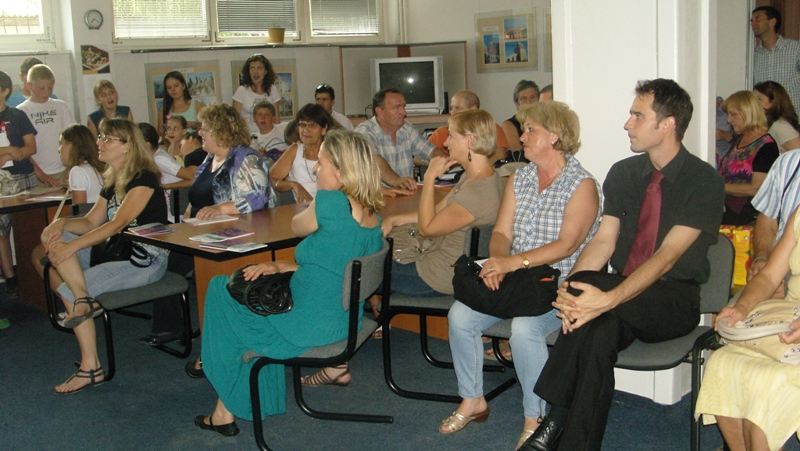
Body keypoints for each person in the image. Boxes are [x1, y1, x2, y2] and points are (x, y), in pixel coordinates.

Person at [519, 79, 725, 451]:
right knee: (597, 333)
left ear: (668, 124)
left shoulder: (703, 181)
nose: (627, 124)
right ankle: (570, 438)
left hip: (673, 299)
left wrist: (605, 299)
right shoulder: (624, 173)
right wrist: (572, 288)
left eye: (637, 115)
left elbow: (667, 257)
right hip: (621, 290)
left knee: (596, 306)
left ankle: (552, 421)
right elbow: (603, 241)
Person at [194, 129, 384, 436]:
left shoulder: (330, 202)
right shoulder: (374, 218)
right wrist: (282, 265)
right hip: (343, 322)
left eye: (321, 162)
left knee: (220, 290)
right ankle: (224, 411)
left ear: (341, 170)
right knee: (245, 302)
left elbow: (297, 227)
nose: (315, 169)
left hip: (305, 326)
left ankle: (227, 405)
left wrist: (317, 202)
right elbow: (337, 269)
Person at [441, 102, 601, 451]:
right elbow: (502, 232)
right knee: (459, 316)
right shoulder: (520, 177)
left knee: (525, 331)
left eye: (530, 130)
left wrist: (512, 263)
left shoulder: (582, 184)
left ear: (555, 136)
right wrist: (497, 262)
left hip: (558, 285)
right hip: (516, 278)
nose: (522, 136)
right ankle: (472, 399)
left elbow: (567, 245)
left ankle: (535, 417)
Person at [32, 118, 170, 394]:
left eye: (107, 138)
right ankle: (83, 299)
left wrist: (73, 246)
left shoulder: (143, 177)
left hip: (145, 261)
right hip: (117, 253)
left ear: (126, 146)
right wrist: (60, 224)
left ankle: (90, 367)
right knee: (58, 238)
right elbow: (91, 221)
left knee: (67, 290)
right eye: (100, 137)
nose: (99, 143)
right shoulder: (114, 178)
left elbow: (117, 224)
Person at [695, 204, 800, 451]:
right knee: (722, 363)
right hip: (790, 315)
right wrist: (741, 307)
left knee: (769, 383)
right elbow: (769, 276)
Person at [185, 104, 270, 220]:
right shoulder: (209, 159)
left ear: (221, 132)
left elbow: (258, 198)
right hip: (199, 226)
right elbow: (194, 201)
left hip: (233, 228)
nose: (199, 133)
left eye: (204, 129)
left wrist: (220, 209)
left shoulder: (246, 158)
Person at [355, 88, 445, 191]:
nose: (404, 112)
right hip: (376, 196)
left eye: (403, 107)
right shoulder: (364, 132)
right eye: (397, 108)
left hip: (405, 194)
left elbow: (430, 151)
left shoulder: (406, 128)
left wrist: (451, 162)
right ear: (380, 111)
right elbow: (374, 161)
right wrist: (396, 181)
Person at [0, 70, 37, 299]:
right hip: (1, 181)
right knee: (1, 232)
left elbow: (31, 147)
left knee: (29, 228)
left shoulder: (17, 114)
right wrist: (8, 150)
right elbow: (13, 150)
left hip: (23, 176)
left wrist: (12, 153)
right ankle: (10, 278)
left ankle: (33, 275)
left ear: (5, 91)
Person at [719, 91, 779, 226]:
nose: (729, 120)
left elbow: (756, 188)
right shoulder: (739, 139)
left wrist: (719, 187)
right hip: (728, 211)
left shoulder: (767, 147)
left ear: (748, 113)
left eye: (733, 114)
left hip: (747, 217)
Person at [18, 64, 75, 188]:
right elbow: (23, 148)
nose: (47, 92)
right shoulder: (21, 111)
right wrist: (41, 174)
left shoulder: (61, 106)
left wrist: (71, 166)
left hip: (63, 171)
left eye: (50, 88)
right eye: (42, 88)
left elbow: (74, 139)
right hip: (36, 174)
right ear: (29, 86)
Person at [269, 104, 333, 204]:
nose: (306, 130)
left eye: (312, 125)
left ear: (324, 129)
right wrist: (294, 185)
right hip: (300, 208)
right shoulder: (295, 150)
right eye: (302, 125)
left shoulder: (333, 152)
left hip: (329, 206)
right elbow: (272, 179)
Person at [427, 90, 509, 163]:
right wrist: (448, 163)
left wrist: (471, 167)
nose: (453, 112)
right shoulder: (442, 131)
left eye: (458, 108)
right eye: (451, 109)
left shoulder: (490, 128)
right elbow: (421, 157)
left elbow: (500, 154)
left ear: (473, 109)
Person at [751, 6, 800, 111]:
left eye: (757, 18)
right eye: (752, 20)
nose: (753, 23)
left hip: (792, 116)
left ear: (772, 22)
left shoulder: (796, 49)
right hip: (765, 117)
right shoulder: (753, 56)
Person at [232, 54, 282, 134]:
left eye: (259, 68)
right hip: (247, 136)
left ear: (265, 71)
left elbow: (276, 119)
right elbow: (234, 120)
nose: (255, 72)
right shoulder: (241, 91)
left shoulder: (273, 90)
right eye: (252, 68)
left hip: (268, 136)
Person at [58, 124, 104, 205]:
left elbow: (79, 209)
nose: (59, 150)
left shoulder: (78, 171)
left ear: (71, 144)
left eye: (61, 144)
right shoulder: (95, 167)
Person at [754, 81, 800, 154]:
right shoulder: (767, 125)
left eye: (759, 99)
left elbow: (798, 153)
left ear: (773, 102)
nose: (753, 103)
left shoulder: (780, 126)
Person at [157, 71, 204, 136]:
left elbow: (206, 128)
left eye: (176, 86)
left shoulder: (197, 105)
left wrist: (192, 124)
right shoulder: (163, 110)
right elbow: (161, 134)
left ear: (183, 86)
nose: (173, 90)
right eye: (169, 87)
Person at [501, 80, 539, 151]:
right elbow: (516, 150)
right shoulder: (509, 125)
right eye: (524, 99)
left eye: (532, 97)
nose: (529, 102)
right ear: (517, 103)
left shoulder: (545, 121)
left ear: (538, 99)